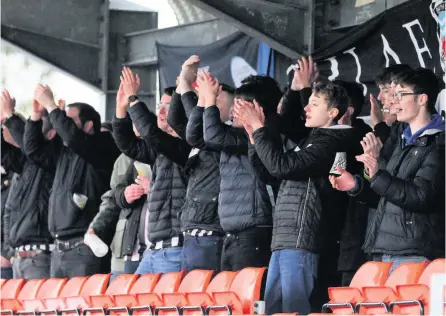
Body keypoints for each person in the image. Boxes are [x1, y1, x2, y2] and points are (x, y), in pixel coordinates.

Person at [237, 81, 355, 314]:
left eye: (314, 103)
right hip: (285, 236)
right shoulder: (311, 140)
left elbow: (282, 167)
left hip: (303, 237)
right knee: (272, 309)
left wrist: (261, 129)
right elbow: (269, 173)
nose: (306, 108)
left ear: (332, 113)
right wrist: (253, 138)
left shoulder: (331, 143)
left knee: (294, 308)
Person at [331, 68, 445, 274]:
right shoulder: (402, 140)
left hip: (415, 251)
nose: (395, 101)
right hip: (384, 247)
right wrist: (356, 185)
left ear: (422, 99)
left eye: (401, 95)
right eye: (394, 95)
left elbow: (420, 196)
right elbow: (385, 195)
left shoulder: (438, 143)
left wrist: (376, 173)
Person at [23, 85, 121, 278]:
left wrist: (51, 106)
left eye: (71, 119)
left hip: (83, 246)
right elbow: (33, 150)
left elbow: (75, 138)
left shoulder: (103, 144)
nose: (64, 123)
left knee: (82, 308)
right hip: (59, 248)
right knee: (55, 308)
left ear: (88, 125)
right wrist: (35, 117)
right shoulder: (63, 152)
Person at [112, 67, 189, 274]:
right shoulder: (160, 150)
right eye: (159, 106)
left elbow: (152, 135)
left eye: (168, 106)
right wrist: (121, 110)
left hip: (175, 248)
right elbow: (128, 144)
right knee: (130, 304)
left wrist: (133, 100)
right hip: (153, 250)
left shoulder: (187, 144)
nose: (161, 111)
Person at [201, 73, 277, 271]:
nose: (233, 110)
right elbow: (195, 136)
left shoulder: (260, 135)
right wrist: (203, 101)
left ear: (257, 108)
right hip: (233, 232)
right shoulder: (234, 134)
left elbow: (213, 137)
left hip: (253, 230)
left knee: (247, 298)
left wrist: (210, 101)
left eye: (240, 105)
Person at [167, 56, 233, 272]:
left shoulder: (229, 135)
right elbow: (177, 121)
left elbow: (198, 133)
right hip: (193, 230)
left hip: (212, 231)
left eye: (216, 99)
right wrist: (183, 86)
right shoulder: (206, 133)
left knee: (206, 303)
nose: (207, 103)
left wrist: (192, 91)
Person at [1, 91, 56, 279]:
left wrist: (10, 116)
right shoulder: (24, 164)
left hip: (40, 257)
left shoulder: (50, 158)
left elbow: (32, 148)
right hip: (19, 257)